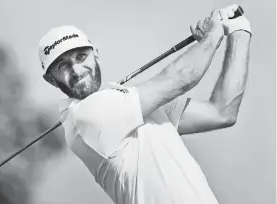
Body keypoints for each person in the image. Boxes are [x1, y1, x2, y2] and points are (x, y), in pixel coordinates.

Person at [38, 4, 251, 204]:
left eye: (81, 57)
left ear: (96, 54)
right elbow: (181, 78)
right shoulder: (85, 115)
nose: (76, 70)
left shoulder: (132, 104)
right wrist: (213, 34)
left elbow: (222, 112)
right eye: (62, 66)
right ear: (50, 79)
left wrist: (238, 31)